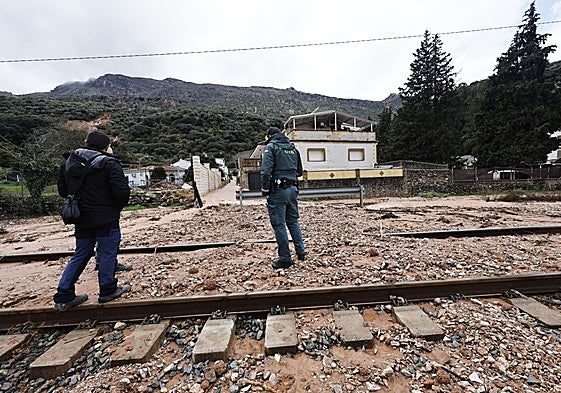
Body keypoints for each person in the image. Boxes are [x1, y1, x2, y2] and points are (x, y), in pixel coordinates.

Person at [53, 130, 131, 311]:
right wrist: (115, 207)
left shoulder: (68, 162)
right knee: (107, 252)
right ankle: (107, 290)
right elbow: (122, 191)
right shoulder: (109, 163)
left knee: (81, 253)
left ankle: (63, 295)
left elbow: (63, 191)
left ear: (86, 143)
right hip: (106, 217)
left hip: (80, 216)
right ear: (106, 147)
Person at [260, 127, 305, 269]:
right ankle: (301, 252)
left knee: (279, 224)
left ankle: (285, 258)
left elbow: (266, 171)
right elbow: (299, 171)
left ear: (269, 136)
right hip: (293, 189)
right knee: (292, 221)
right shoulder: (293, 149)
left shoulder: (271, 147)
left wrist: (265, 190)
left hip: (278, 191)